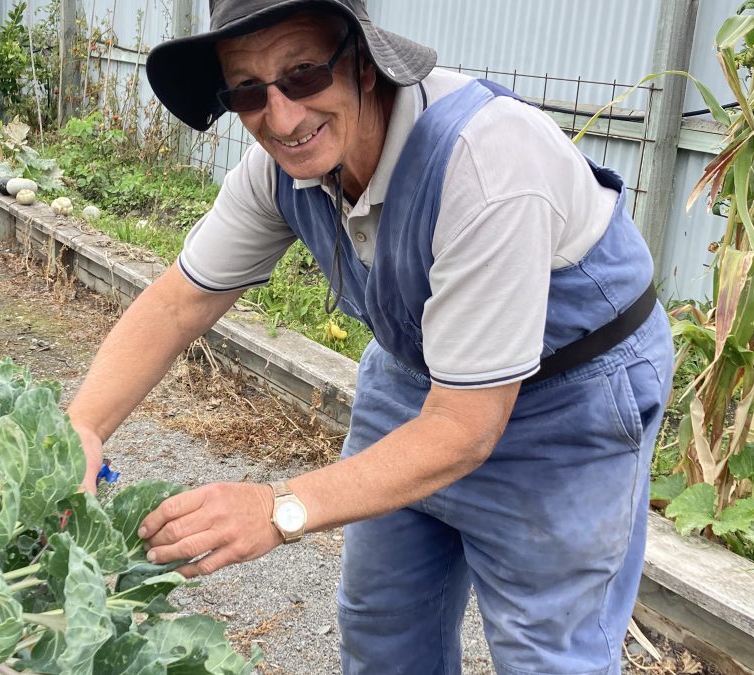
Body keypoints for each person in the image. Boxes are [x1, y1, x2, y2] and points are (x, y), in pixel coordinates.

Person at [66, 1, 674, 673]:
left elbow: (465, 427)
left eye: (302, 74)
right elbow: (179, 302)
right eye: (247, 90)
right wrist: (82, 430)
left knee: (548, 648)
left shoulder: (485, 161)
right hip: (416, 375)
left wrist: (279, 508)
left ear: (363, 61)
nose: (283, 116)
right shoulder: (278, 171)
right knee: (382, 624)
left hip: (568, 395)